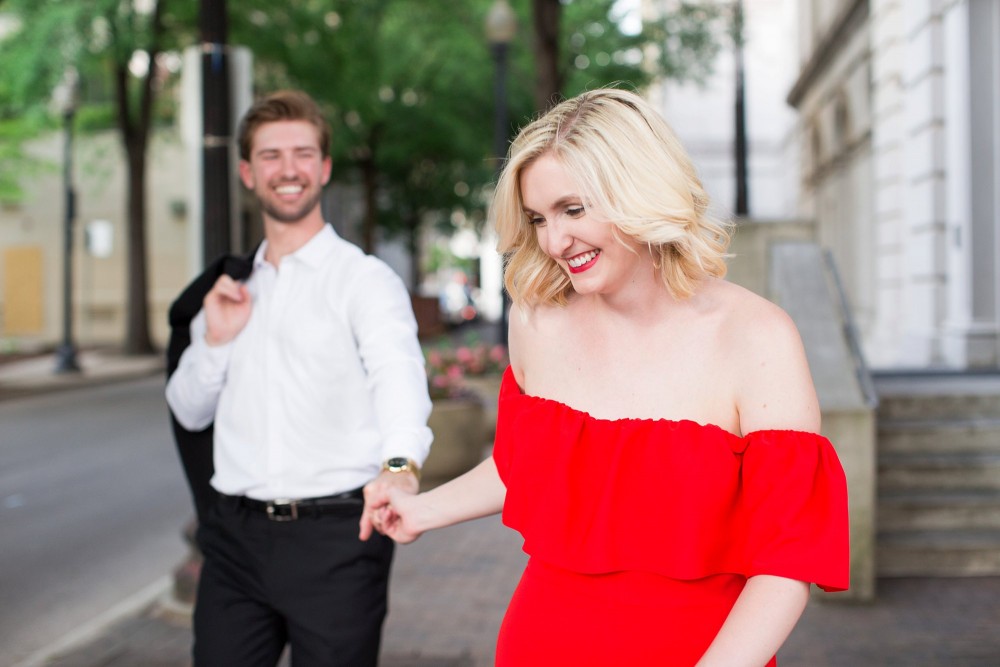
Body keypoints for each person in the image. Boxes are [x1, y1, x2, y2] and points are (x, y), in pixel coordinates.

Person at [361, 88, 850, 666]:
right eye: (539, 218)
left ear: (639, 191)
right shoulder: (536, 321)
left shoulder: (757, 336)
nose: (553, 241)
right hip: (540, 645)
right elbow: (525, 465)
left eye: (573, 210)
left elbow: (786, 561)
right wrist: (421, 510)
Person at [166, 89, 432, 666]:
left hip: (338, 539)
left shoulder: (364, 280)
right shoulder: (227, 291)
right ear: (247, 172)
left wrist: (399, 468)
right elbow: (187, 411)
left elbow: (399, 381)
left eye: (303, 153)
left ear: (325, 167)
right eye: (271, 155)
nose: (288, 169)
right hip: (234, 541)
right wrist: (216, 340)